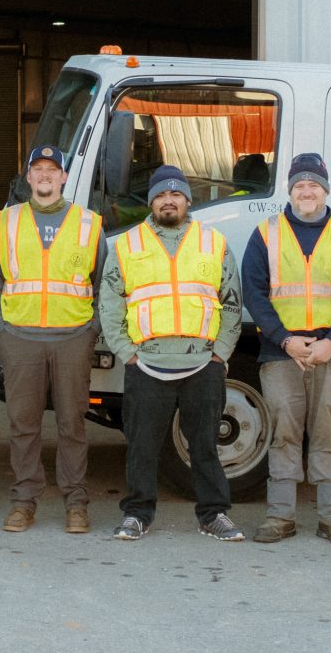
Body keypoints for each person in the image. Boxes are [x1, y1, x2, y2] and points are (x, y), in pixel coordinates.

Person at [98, 164, 246, 542]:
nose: (168, 200)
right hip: (147, 364)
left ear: (187, 200)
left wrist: (221, 353)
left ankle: (213, 515)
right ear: (151, 202)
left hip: (203, 363)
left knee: (205, 446)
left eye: (175, 194)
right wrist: (126, 352)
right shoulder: (129, 244)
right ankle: (137, 514)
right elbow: (110, 302)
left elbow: (231, 302)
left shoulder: (213, 243)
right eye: (161, 195)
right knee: (142, 447)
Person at [242, 153, 331, 546]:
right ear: (290, 190)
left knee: (327, 434)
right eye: (300, 185)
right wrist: (285, 338)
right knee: (284, 433)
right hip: (282, 351)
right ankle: (280, 517)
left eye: (314, 184)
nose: (307, 191)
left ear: (326, 190)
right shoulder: (267, 232)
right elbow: (254, 291)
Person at [0, 144, 103, 535]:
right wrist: (1, 329)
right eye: (38, 169)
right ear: (29, 178)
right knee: (24, 424)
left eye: (53, 169)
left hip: (73, 337)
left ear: (64, 177)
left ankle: (76, 502)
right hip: (20, 338)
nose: (45, 175)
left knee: (72, 423)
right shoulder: (7, 221)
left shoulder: (89, 223)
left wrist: (92, 330)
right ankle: (24, 501)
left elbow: (104, 282)